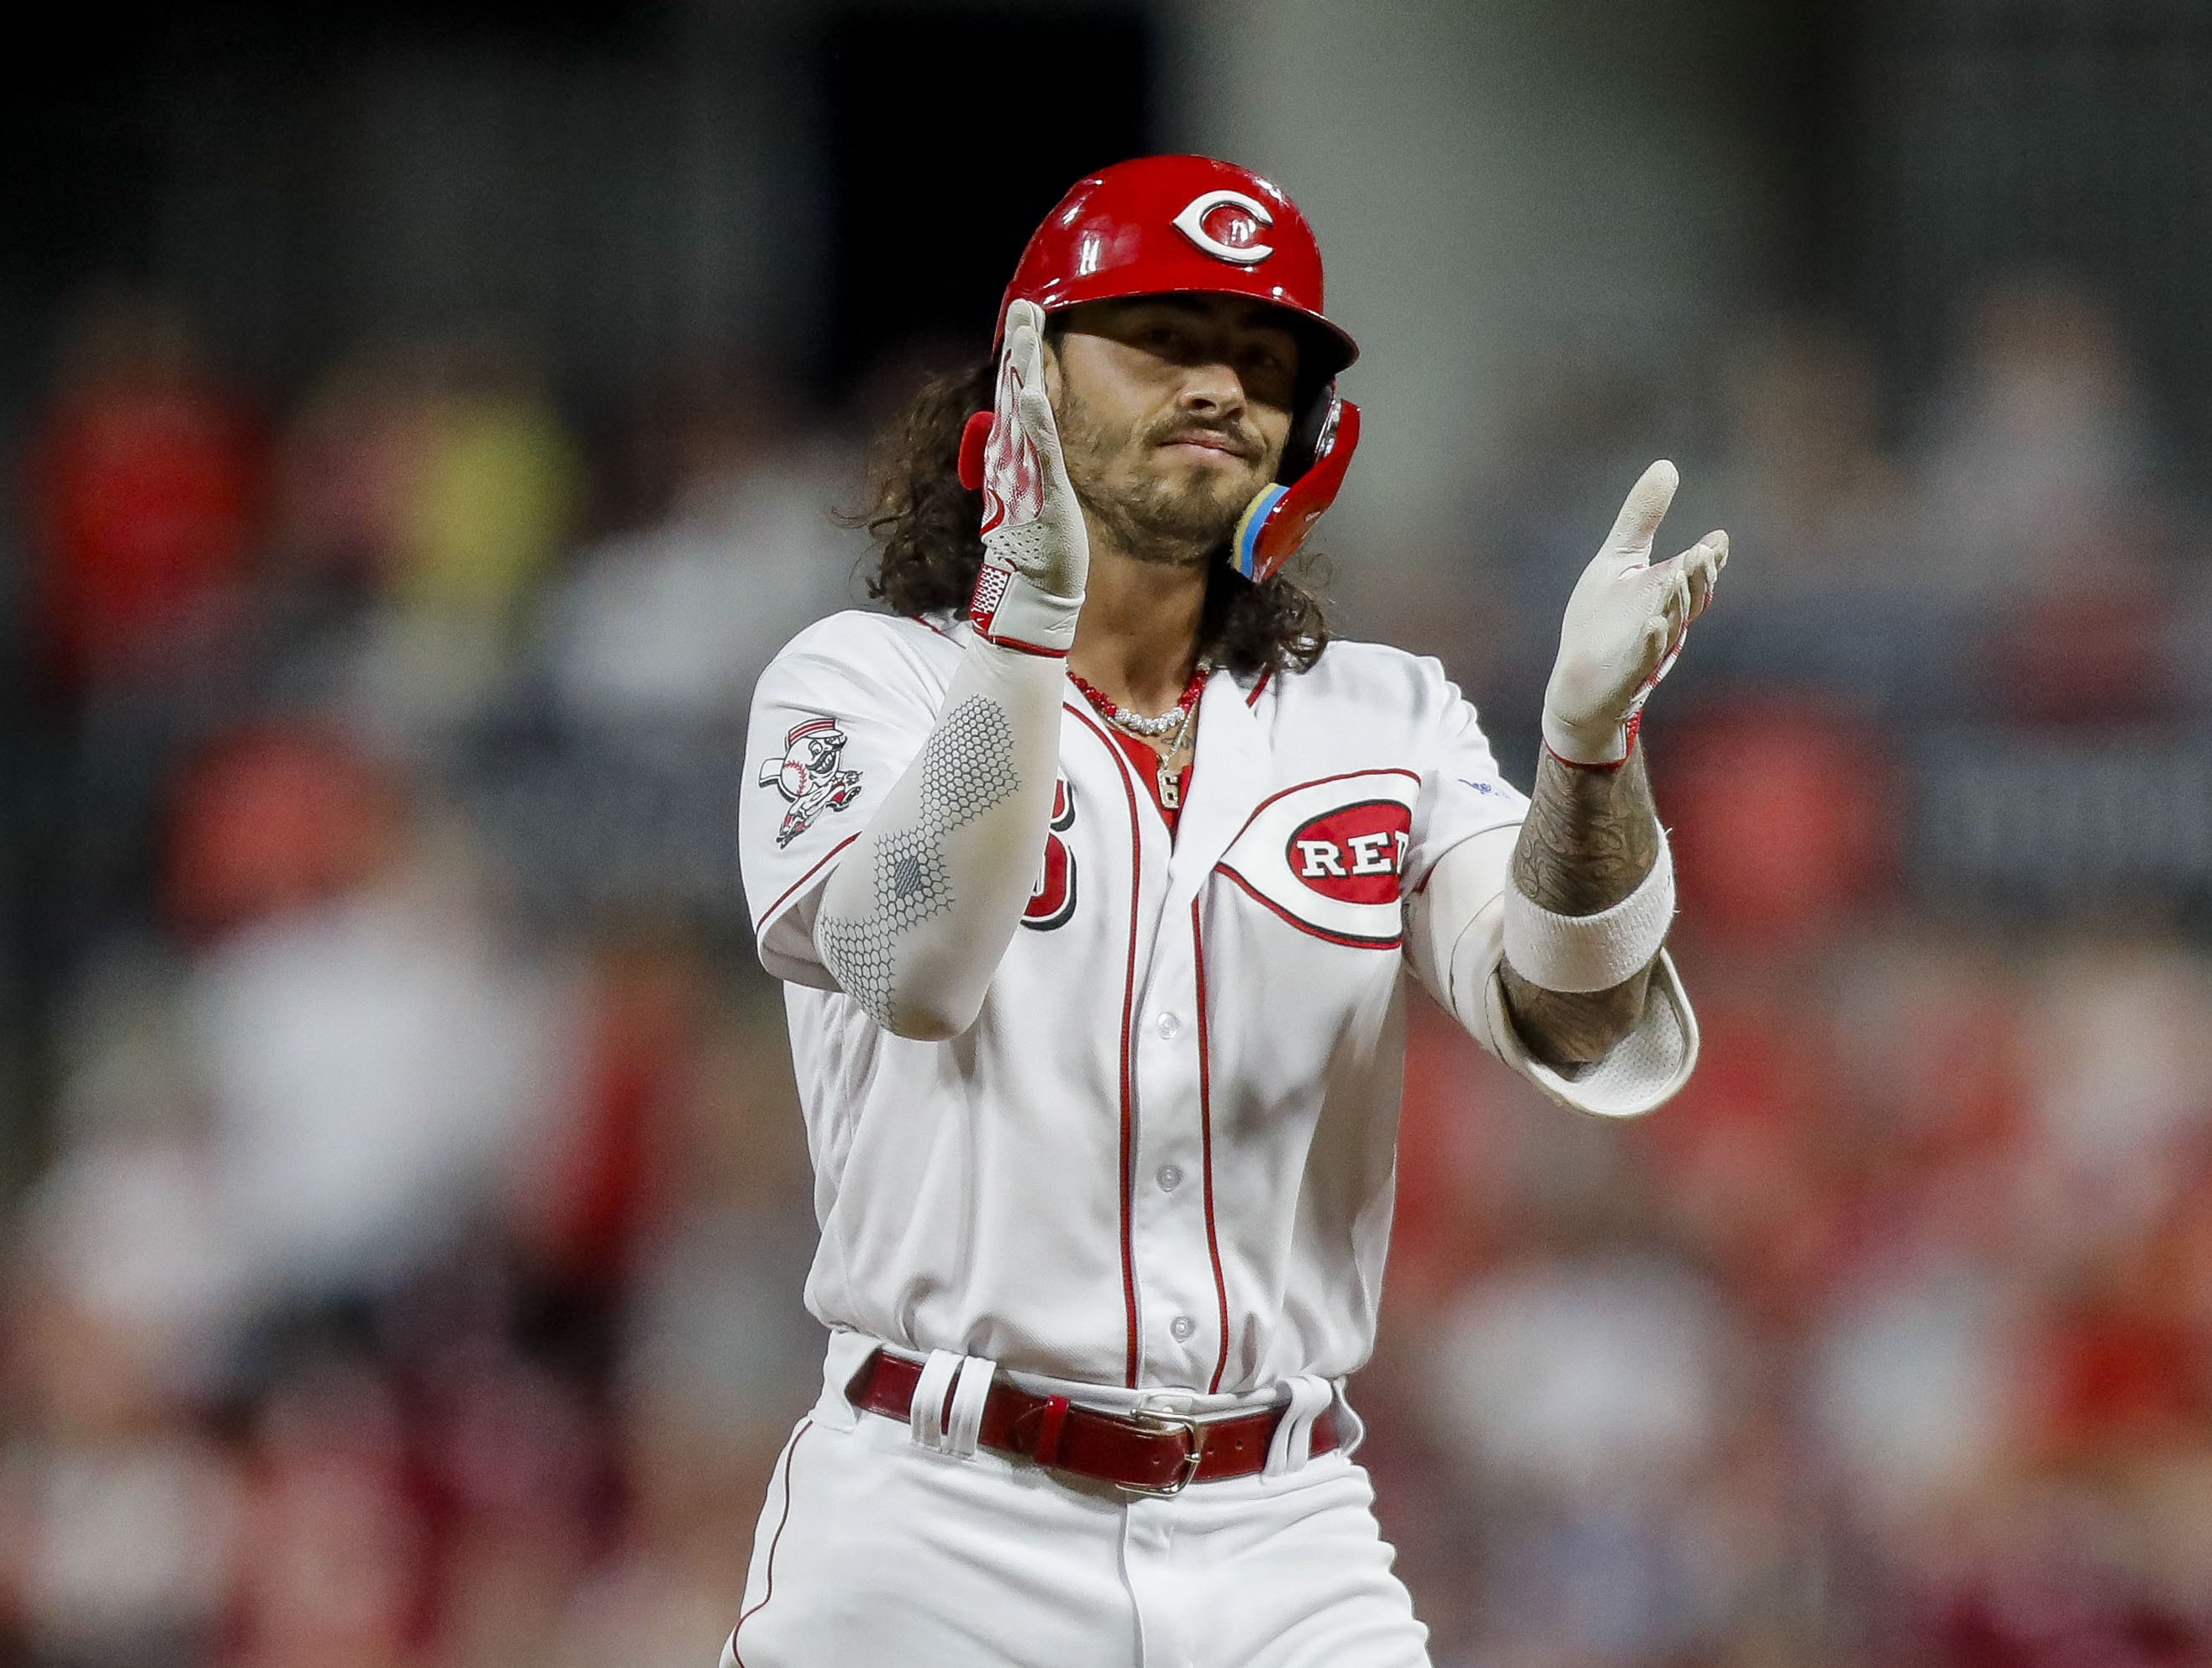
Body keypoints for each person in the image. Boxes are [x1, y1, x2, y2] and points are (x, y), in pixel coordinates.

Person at [730, 155, 1723, 1666]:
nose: (1219, 384)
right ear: (1030, 373)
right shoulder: (860, 681)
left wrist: (1587, 752)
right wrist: (1022, 628)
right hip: (935, 1519)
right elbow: (908, 967)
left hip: (1283, 1529)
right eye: (1164, 337)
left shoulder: (1384, 716)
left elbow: (1576, 1017)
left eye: (1263, 361)